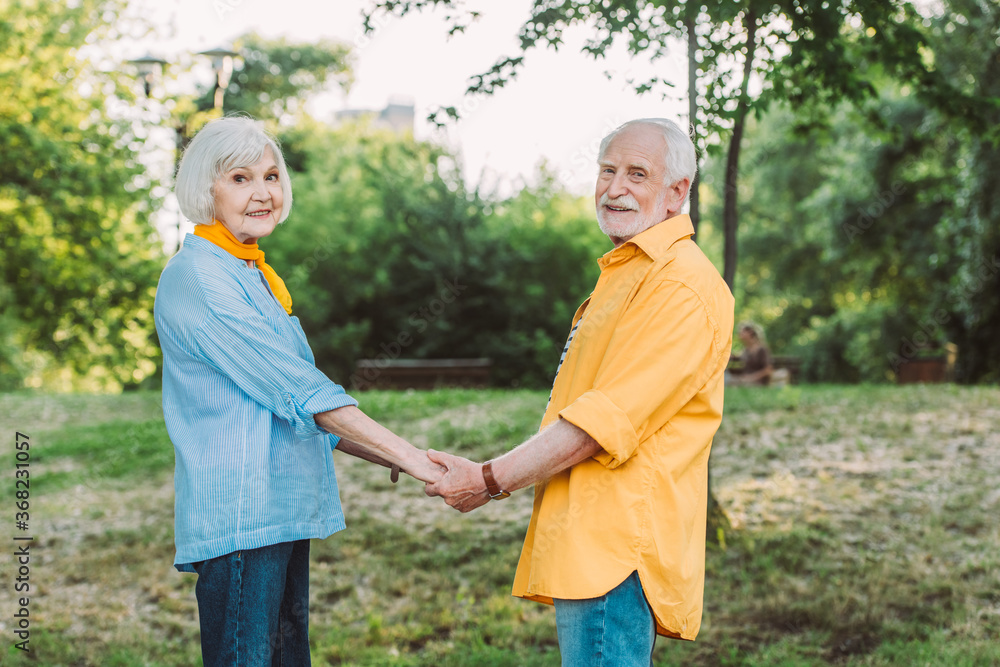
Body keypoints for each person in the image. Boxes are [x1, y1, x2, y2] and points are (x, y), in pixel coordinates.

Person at [424, 118, 735, 664]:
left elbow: (602, 422)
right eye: (607, 170)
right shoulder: (632, 272)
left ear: (676, 192)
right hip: (591, 544)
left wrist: (487, 479)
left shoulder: (680, 285)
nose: (614, 188)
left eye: (637, 174)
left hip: (615, 552)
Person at [153, 116, 442, 666]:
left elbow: (292, 409)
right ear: (205, 189)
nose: (263, 192)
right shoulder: (200, 277)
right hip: (242, 517)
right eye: (240, 178)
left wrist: (392, 455)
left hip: (278, 510)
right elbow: (302, 392)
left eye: (271, 176)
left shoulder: (249, 272)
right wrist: (411, 457)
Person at [728, 322, 773, 386]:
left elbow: (768, 370)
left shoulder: (762, 349)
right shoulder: (746, 350)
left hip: (758, 382)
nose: (739, 334)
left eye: (742, 332)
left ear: (750, 332)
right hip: (745, 379)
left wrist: (752, 377)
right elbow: (738, 358)